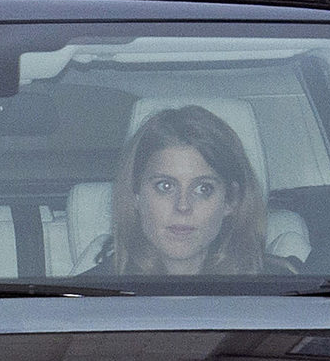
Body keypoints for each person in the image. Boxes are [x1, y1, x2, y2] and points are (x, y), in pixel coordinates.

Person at [90, 105, 298, 275]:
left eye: (203, 188)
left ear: (231, 201)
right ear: (135, 194)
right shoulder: (88, 299)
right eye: (165, 186)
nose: (183, 206)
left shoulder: (282, 294)